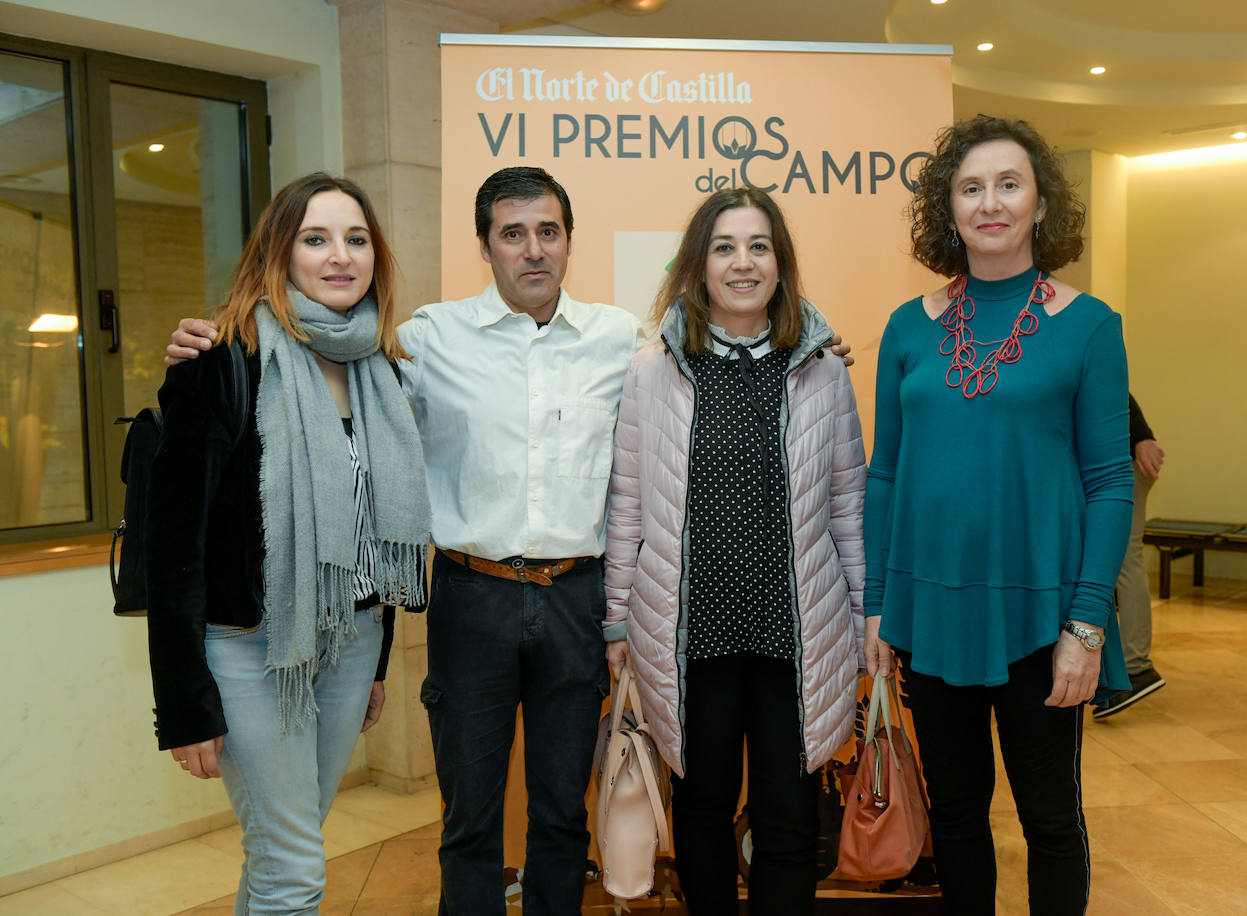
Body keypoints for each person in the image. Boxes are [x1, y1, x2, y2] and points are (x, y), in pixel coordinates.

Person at [167, 167, 853, 915]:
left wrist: (815, 354)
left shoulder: (623, 342)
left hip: (575, 600)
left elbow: (715, 360)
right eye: (513, 233)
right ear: (485, 245)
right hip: (472, 597)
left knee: (561, 816)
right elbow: (322, 358)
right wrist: (210, 343)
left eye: (548, 232)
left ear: (568, 242)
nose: (533, 250)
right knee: (469, 821)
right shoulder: (424, 340)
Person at [863, 115, 1134, 915]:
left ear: (1040, 203)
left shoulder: (1090, 326)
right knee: (955, 814)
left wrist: (1087, 626)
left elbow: (1110, 483)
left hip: (1043, 619)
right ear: (948, 209)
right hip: (931, 614)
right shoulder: (907, 327)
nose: (990, 203)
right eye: (971, 187)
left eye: (1008, 185)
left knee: (1049, 819)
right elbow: (885, 474)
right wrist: (878, 604)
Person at [146, 172, 430, 914]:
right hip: (250, 649)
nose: (340, 256)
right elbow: (172, 548)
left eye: (356, 239)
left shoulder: (382, 370)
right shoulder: (221, 361)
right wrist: (183, 703)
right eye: (316, 239)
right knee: (295, 869)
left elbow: (375, 533)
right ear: (279, 253)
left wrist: (374, 661)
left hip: (353, 639)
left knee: (282, 854)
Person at [603, 187, 866, 915]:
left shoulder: (822, 371)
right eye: (724, 247)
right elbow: (628, 505)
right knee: (702, 809)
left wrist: (866, 615)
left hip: (796, 636)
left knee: (790, 818)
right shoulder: (653, 370)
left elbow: (848, 504)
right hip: (693, 637)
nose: (742, 263)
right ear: (699, 264)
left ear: (780, 264)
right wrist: (617, 619)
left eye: (758, 247)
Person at [1094, 394, 1166, 719]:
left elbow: (1114, 387)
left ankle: (1136, 667)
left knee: (1123, 560)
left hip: (1122, 464)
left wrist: (1141, 437)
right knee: (1117, 561)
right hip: (1113, 463)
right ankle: (1119, 666)